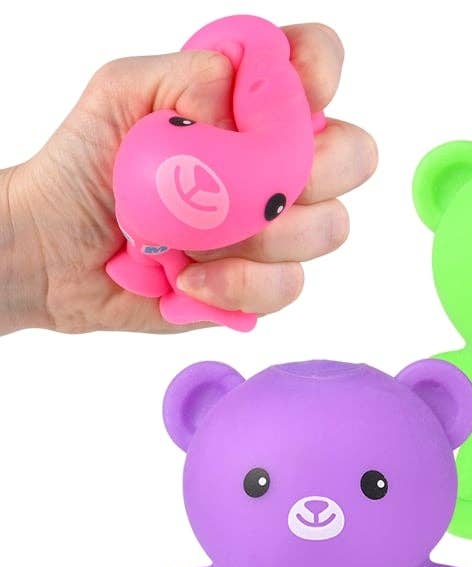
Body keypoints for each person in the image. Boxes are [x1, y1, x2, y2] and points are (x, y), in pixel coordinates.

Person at [0, 22, 376, 336]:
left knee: (172, 265)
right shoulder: (256, 105)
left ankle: (168, 280)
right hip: (145, 232)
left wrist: (33, 244)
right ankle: (168, 280)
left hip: (146, 233)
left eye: (273, 206)